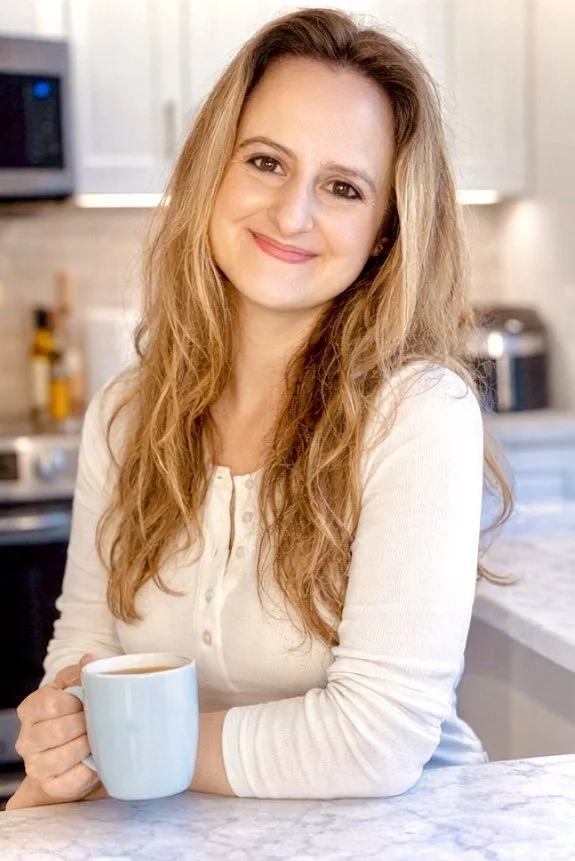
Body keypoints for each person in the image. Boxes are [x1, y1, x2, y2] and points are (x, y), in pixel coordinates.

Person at [8, 7, 511, 810]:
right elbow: (86, 658)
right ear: (213, 170)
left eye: (342, 187)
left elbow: (374, 739)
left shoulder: (418, 413)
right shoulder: (127, 413)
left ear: (384, 231)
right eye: (266, 162)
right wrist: (61, 742)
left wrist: (128, 741)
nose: (291, 214)